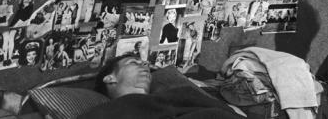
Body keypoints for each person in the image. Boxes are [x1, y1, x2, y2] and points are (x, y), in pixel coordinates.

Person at [79, 53, 239, 118]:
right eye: (134, 63)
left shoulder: (181, 95)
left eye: (145, 64)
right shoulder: (104, 113)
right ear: (110, 78)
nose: (145, 66)